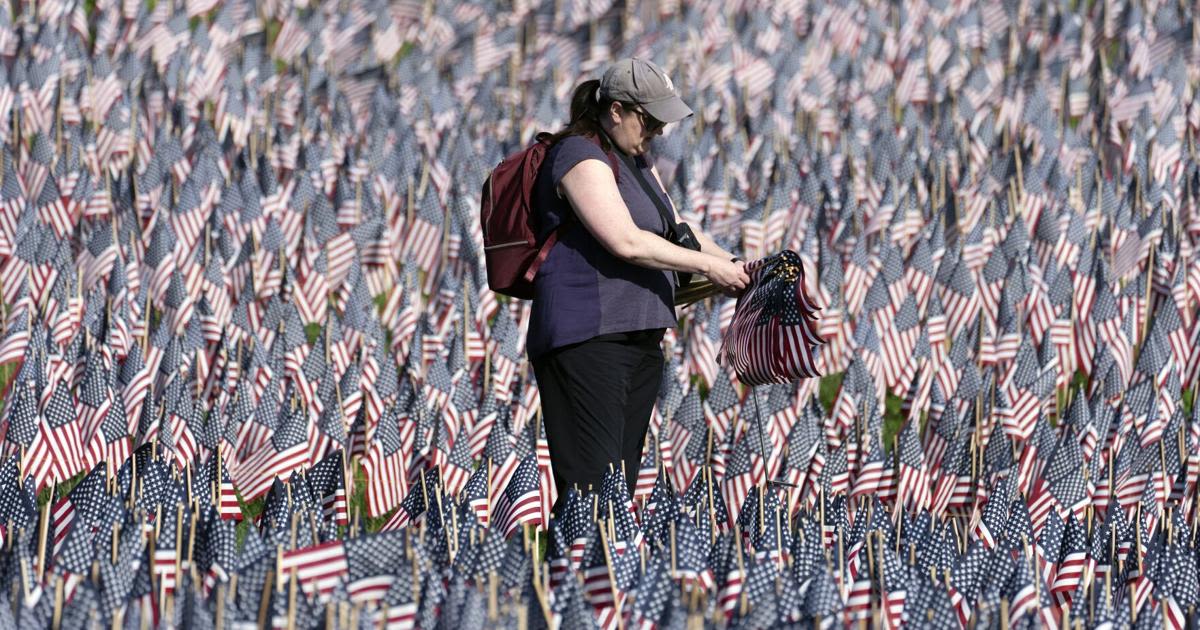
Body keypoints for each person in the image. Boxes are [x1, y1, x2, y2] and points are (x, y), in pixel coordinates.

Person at [527, 57, 749, 506]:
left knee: (617, 490)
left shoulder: (635, 160)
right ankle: (568, 575)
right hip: (588, 340)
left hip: (638, 340)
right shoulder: (578, 154)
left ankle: (598, 575)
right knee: (593, 490)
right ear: (616, 111)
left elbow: (677, 229)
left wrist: (741, 265)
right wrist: (709, 269)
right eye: (650, 120)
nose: (658, 132)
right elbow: (625, 241)